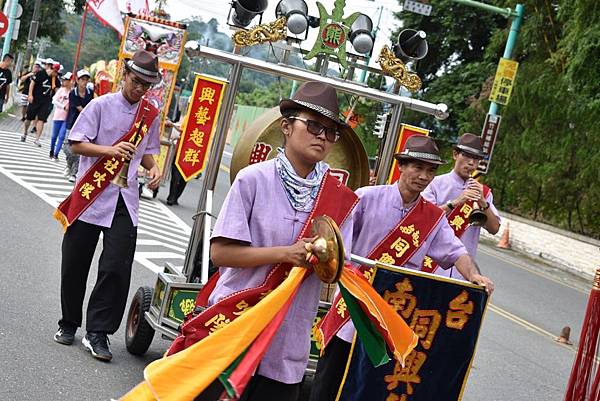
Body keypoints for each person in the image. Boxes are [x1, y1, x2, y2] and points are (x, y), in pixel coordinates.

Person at [191, 82, 357, 401]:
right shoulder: (253, 179)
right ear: (286, 126)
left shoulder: (339, 200)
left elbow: (334, 271)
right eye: (313, 125)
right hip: (236, 322)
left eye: (331, 131)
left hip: (287, 342)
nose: (322, 136)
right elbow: (221, 253)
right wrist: (286, 254)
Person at [309, 135, 495, 401]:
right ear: (401, 167)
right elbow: (341, 246)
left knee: (370, 389)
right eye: (417, 167)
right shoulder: (367, 198)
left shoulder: (432, 217)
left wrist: (474, 275)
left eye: (430, 170)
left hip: (393, 316)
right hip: (353, 309)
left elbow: (455, 251)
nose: (423, 176)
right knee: (329, 384)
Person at [52, 50, 162, 362]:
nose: (139, 89)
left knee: (116, 266)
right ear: (125, 75)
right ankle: (69, 323)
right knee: (75, 263)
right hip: (92, 193)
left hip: (125, 198)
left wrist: (153, 168)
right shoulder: (100, 105)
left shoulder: (149, 114)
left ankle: (98, 332)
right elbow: (76, 143)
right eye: (136, 81)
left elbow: (146, 152)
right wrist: (109, 151)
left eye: (146, 85)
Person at [422, 133, 501, 279]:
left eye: (476, 159)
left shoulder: (483, 192)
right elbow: (425, 220)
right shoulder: (434, 184)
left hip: (463, 273)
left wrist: (483, 203)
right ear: (455, 155)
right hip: (431, 268)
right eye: (466, 156)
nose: (471, 162)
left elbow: (494, 228)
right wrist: (456, 202)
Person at [63, 69, 94, 182]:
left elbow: (92, 105)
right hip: (72, 123)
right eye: (82, 80)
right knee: (67, 148)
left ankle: (74, 172)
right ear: (77, 80)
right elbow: (80, 109)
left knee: (80, 149)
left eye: (86, 80)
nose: (84, 82)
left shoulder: (90, 92)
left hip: (85, 125)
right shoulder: (73, 93)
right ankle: (69, 164)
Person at [22, 60, 60, 145]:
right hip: (35, 99)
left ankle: (37, 139)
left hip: (46, 101)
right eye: (55, 72)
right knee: (29, 118)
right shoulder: (40, 73)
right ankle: (24, 133)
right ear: (52, 69)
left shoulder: (55, 79)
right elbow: (32, 83)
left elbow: (57, 89)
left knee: (41, 120)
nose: (56, 74)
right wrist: (30, 95)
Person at [49, 72, 72, 160]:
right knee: (54, 136)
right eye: (63, 80)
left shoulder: (73, 92)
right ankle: (51, 150)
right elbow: (54, 100)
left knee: (62, 136)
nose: (64, 81)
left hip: (66, 118)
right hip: (58, 116)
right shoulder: (61, 90)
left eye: (66, 80)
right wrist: (63, 106)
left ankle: (56, 154)